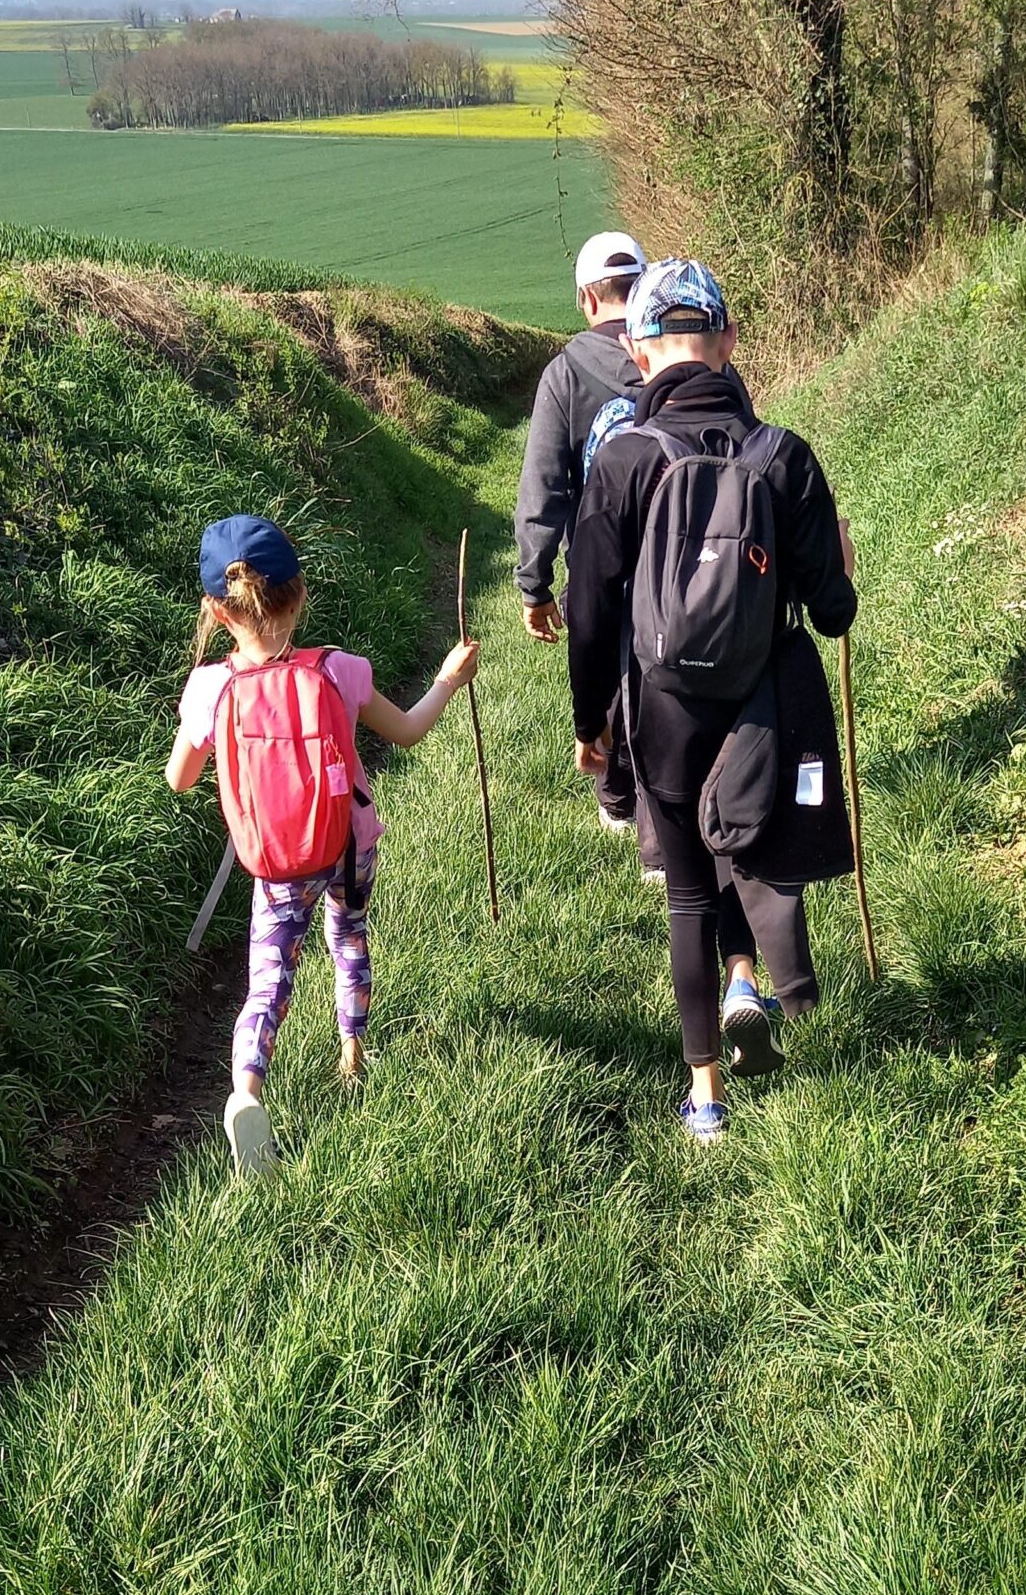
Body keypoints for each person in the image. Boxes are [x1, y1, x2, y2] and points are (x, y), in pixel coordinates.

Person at [564, 260, 857, 1142]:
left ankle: (705, 1099)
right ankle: (751, 980)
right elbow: (834, 614)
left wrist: (593, 725)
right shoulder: (784, 457)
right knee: (750, 847)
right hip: (765, 702)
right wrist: (839, 566)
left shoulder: (624, 460)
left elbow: (589, 612)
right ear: (728, 343)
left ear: (639, 351)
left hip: (663, 708)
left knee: (688, 891)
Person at [165, 514, 479, 1175]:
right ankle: (352, 1054)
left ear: (218, 613)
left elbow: (179, 779)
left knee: (268, 978)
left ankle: (246, 1091)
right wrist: (449, 679)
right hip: (347, 843)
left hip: (275, 859)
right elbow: (408, 731)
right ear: (301, 594)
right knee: (348, 935)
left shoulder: (210, 688)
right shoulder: (340, 671)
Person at [513, 231, 657, 850]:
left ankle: (619, 798)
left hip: (600, 564)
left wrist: (535, 584)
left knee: (607, 670)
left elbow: (543, 486)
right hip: (681, 556)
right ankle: (663, 815)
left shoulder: (565, 374)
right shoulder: (676, 355)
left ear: (586, 300)